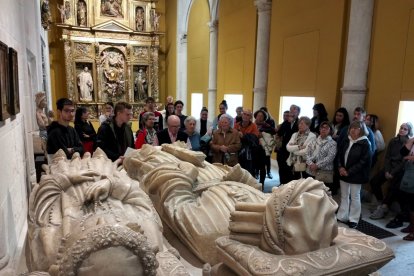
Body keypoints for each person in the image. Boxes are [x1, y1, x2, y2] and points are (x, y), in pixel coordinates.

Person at [369, 122, 413, 220]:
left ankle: (384, 208)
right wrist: (387, 171)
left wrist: (392, 173)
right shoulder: (393, 140)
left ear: (409, 131)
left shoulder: (409, 143)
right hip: (389, 167)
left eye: (405, 129)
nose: (402, 130)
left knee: (393, 187)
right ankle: (380, 203)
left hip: (399, 170)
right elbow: (388, 157)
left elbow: (403, 161)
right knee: (374, 182)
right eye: (401, 128)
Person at [337, 121, 372, 229]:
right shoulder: (346, 139)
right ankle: (342, 215)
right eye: (352, 127)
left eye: (356, 128)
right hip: (343, 172)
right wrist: (340, 167)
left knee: (355, 197)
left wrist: (349, 171)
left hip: (356, 174)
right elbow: (339, 155)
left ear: (361, 130)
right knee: (344, 195)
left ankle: (353, 219)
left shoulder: (365, 143)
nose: (353, 130)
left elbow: (364, 161)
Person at [305, 121, 337, 193]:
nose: (323, 129)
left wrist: (317, 165)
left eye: (326, 128)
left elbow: (329, 158)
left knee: (322, 193)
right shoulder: (313, 141)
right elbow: (307, 153)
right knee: (310, 191)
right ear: (319, 129)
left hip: (324, 172)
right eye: (322, 127)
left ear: (330, 130)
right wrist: (310, 164)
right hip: (310, 170)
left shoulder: (333, 143)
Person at [276, 105, 300, 184]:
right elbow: (279, 134)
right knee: (282, 168)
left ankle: (290, 187)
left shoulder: (300, 123)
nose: (292, 112)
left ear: (298, 112)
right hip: (283, 150)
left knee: (291, 170)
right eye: (290, 110)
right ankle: (282, 184)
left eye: (294, 110)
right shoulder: (286, 122)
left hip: (294, 150)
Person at [399, 137, 414, 241]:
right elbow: (403, 152)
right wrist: (412, 140)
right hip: (410, 172)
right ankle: (412, 225)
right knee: (409, 201)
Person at [254, 109, 276, 179]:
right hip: (255, 146)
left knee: (265, 161)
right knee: (256, 161)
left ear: (264, 117)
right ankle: (256, 172)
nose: (259, 117)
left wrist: (262, 130)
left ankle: (264, 178)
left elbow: (273, 131)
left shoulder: (267, 125)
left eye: (261, 116)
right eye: (258, 116)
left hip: (265, 146)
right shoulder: (253, 125)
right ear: (256, 116)